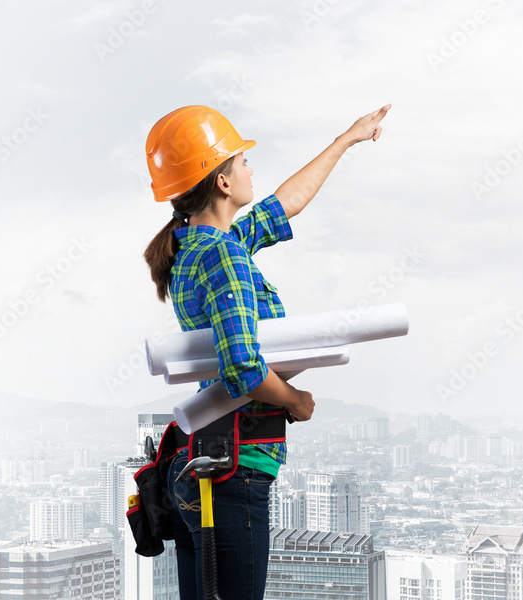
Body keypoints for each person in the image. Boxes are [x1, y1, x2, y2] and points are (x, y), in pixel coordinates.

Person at [142, 102, 390, 600]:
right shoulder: (225, 253)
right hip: (233, 472)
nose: (251, 167)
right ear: (223, 183)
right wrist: (296, 401)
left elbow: (284, 204)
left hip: (197, 466)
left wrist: (346, 139)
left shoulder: (195, 246)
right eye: (241, 161)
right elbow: (242, 368)